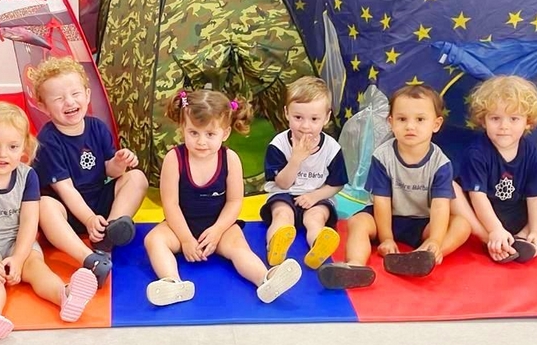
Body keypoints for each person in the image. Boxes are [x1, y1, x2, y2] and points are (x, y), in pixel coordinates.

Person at [144, 89, 302, 306]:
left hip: (221, 226)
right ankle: (172, 282)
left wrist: (218, 231)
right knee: (153, 240)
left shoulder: (230, 159)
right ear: (182, 128)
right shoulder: (174, 158)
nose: (201, 141)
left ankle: (265, 279)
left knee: (239, 248)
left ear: (225, 133)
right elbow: (170, 204)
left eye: (210, 134)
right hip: (180, 225)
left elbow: (234, 202)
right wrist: (186, 239)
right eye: (193, 133)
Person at [0, 102, 98, 328]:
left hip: (18, 241)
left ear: (24, 147)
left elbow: (30, 221)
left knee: (38, 269)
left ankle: (66, 295)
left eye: (12, 146)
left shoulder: (28, 176)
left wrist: (19, 258)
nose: (2, 154)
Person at [318, 85, 471, 288]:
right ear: (391, 122)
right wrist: (387, 238)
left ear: (436, 124)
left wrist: (435, 239)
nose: (410, 126)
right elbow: (382, 201)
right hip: (386, 216)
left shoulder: (440, 163)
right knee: (357, 222)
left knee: (462, 224)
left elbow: (440, 206)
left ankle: (426, 255)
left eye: (420, 119)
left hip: (422, 221)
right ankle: (354, 265)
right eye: (402, 119)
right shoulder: (382, 156)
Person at [31, 56, 147, 285]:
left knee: (137, 177)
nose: (69, 102)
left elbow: (108, 172)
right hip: (67, 214)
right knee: (44, 205)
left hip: (98, 204)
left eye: (75, 94)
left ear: (87, 95)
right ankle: (88, 257)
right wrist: (88, 219)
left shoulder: (97, 127)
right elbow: (65, 189)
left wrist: (119, 163)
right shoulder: (48, 140)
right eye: (59, 98)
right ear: (43, 107)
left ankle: (109, 232)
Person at [455, 76, 537, 263]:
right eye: (495, 118)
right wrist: (494, 230)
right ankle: (490, 240)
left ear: (528, 122)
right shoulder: (477, 153)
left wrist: (535, 231)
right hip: (483, 219)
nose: (504, 126)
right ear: (483, 121)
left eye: (514, 118)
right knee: (449, 188)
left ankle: (523, 239)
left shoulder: (532, 153)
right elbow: (477, 197)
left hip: (518, 216)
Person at [262, 76, 347, 269]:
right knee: (282, 215)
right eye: (298, 117)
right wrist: (296, 159)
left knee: (316, 218)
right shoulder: (278, 145)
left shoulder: (332, 148)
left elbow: (337, 183)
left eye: (314, 119)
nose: (305, 126)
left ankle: (318, 247)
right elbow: (282, 183)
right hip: (284, 194)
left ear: (326, 118)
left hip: (317, 197)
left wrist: (314, 196)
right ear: (286, 113)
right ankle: (275, 246)